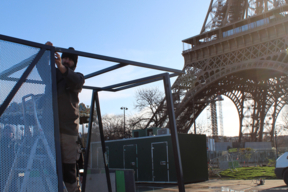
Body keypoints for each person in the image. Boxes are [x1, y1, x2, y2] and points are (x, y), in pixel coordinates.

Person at [45, 42, 85, 192]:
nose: (66, 61)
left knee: (69, 172)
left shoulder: (77, 77)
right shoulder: (53, 74)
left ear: (74, 63)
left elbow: (76, 82)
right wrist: (46, 51)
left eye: (70, 59)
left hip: (68, 131)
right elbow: (42, 70)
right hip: (50, 129)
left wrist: (61, 67)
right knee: (51, 170)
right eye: (64, 58)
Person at [0, 125, 16, 191]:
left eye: (9, 131)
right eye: (5, 131)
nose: (7, 133)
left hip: (12, 170)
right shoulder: (1, 143)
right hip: (2, 170)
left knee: (12, 187)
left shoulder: (15, 144)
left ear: (13, 133)